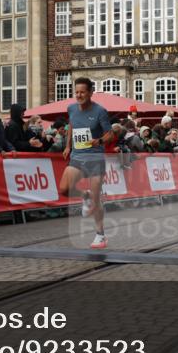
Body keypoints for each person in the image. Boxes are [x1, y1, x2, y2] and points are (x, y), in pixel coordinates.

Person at [58, 77, 113, 249]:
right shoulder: (71, 108)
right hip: (78, 156)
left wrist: (100, 141)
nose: (79, 95)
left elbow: (110, 134)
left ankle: (100, 235)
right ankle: (85, 196)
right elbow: (72, 126)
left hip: (95, 158)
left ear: (90, 93)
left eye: (82, 92)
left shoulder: (100, 111)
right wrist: (68, 146)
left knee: (97, 199)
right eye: (77, 92)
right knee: (64, 189)